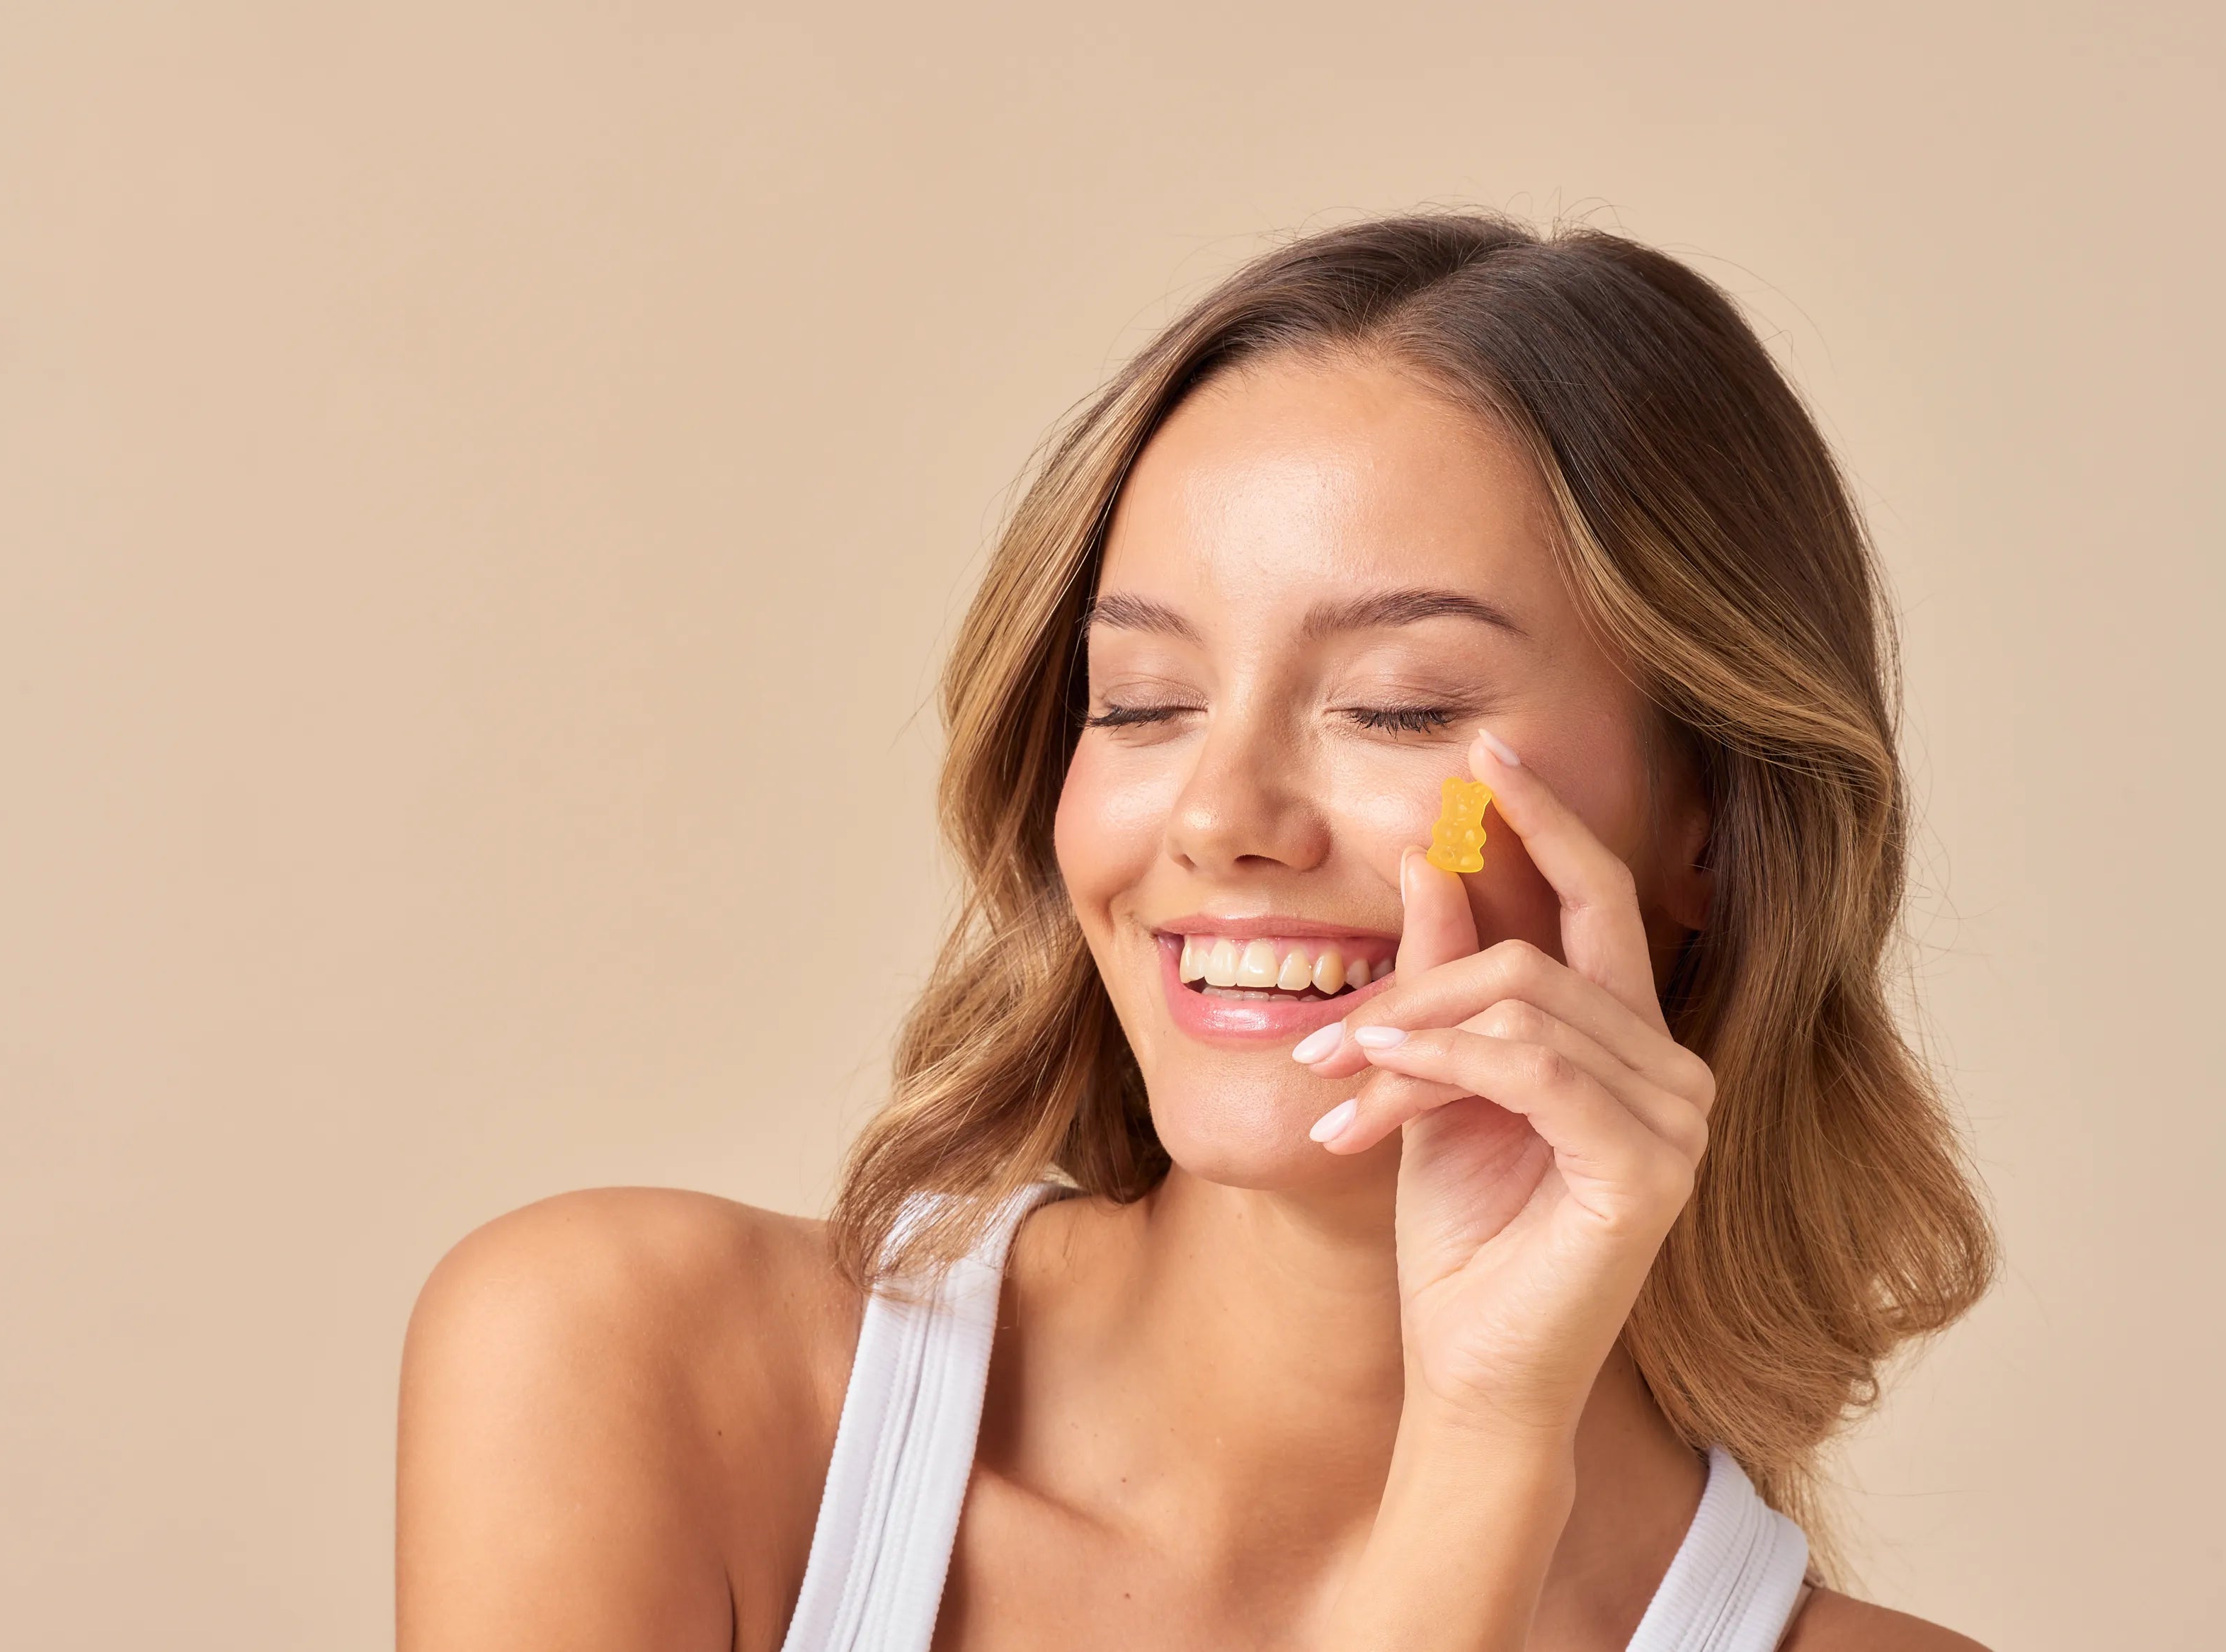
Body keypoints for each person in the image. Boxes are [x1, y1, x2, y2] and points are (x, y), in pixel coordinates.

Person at [394, 215, 1997, 1651]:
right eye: (1144, 702)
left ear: (1712, 820)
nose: (1222, 814)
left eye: (1398, 706)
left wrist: (1484, 1450)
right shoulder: (632, 1373)